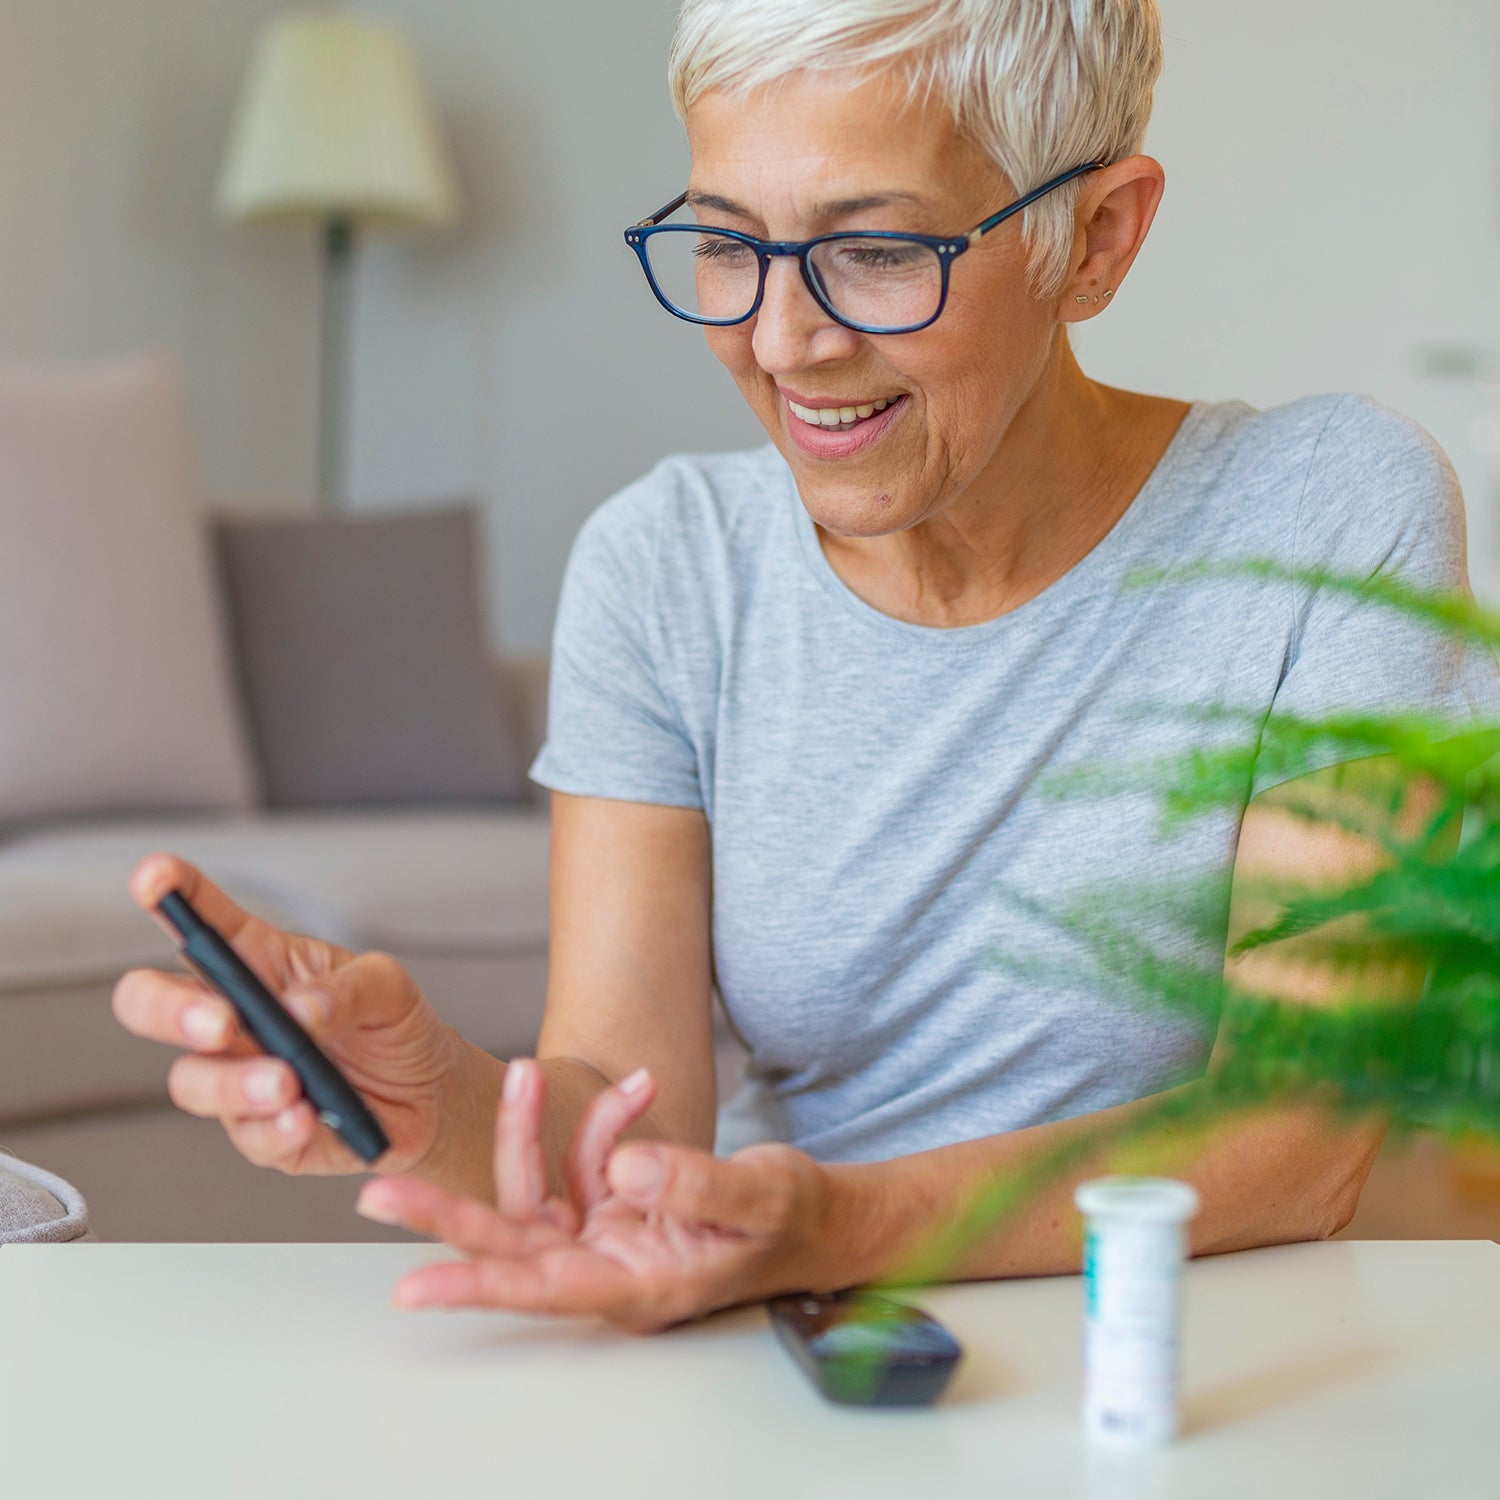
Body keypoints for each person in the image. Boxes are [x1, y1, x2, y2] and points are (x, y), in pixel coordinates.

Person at [115, 0, 1496, 1332]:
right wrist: (438, 1105)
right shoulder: (666, 565)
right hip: (823, 1355)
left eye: (880, 252)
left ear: (1096, 237)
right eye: (725, 243)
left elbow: (1298, 1132)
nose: (782, 342)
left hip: (1189, 1359)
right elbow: (629, 1126)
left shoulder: (1324, 508)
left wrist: (829, 1226)